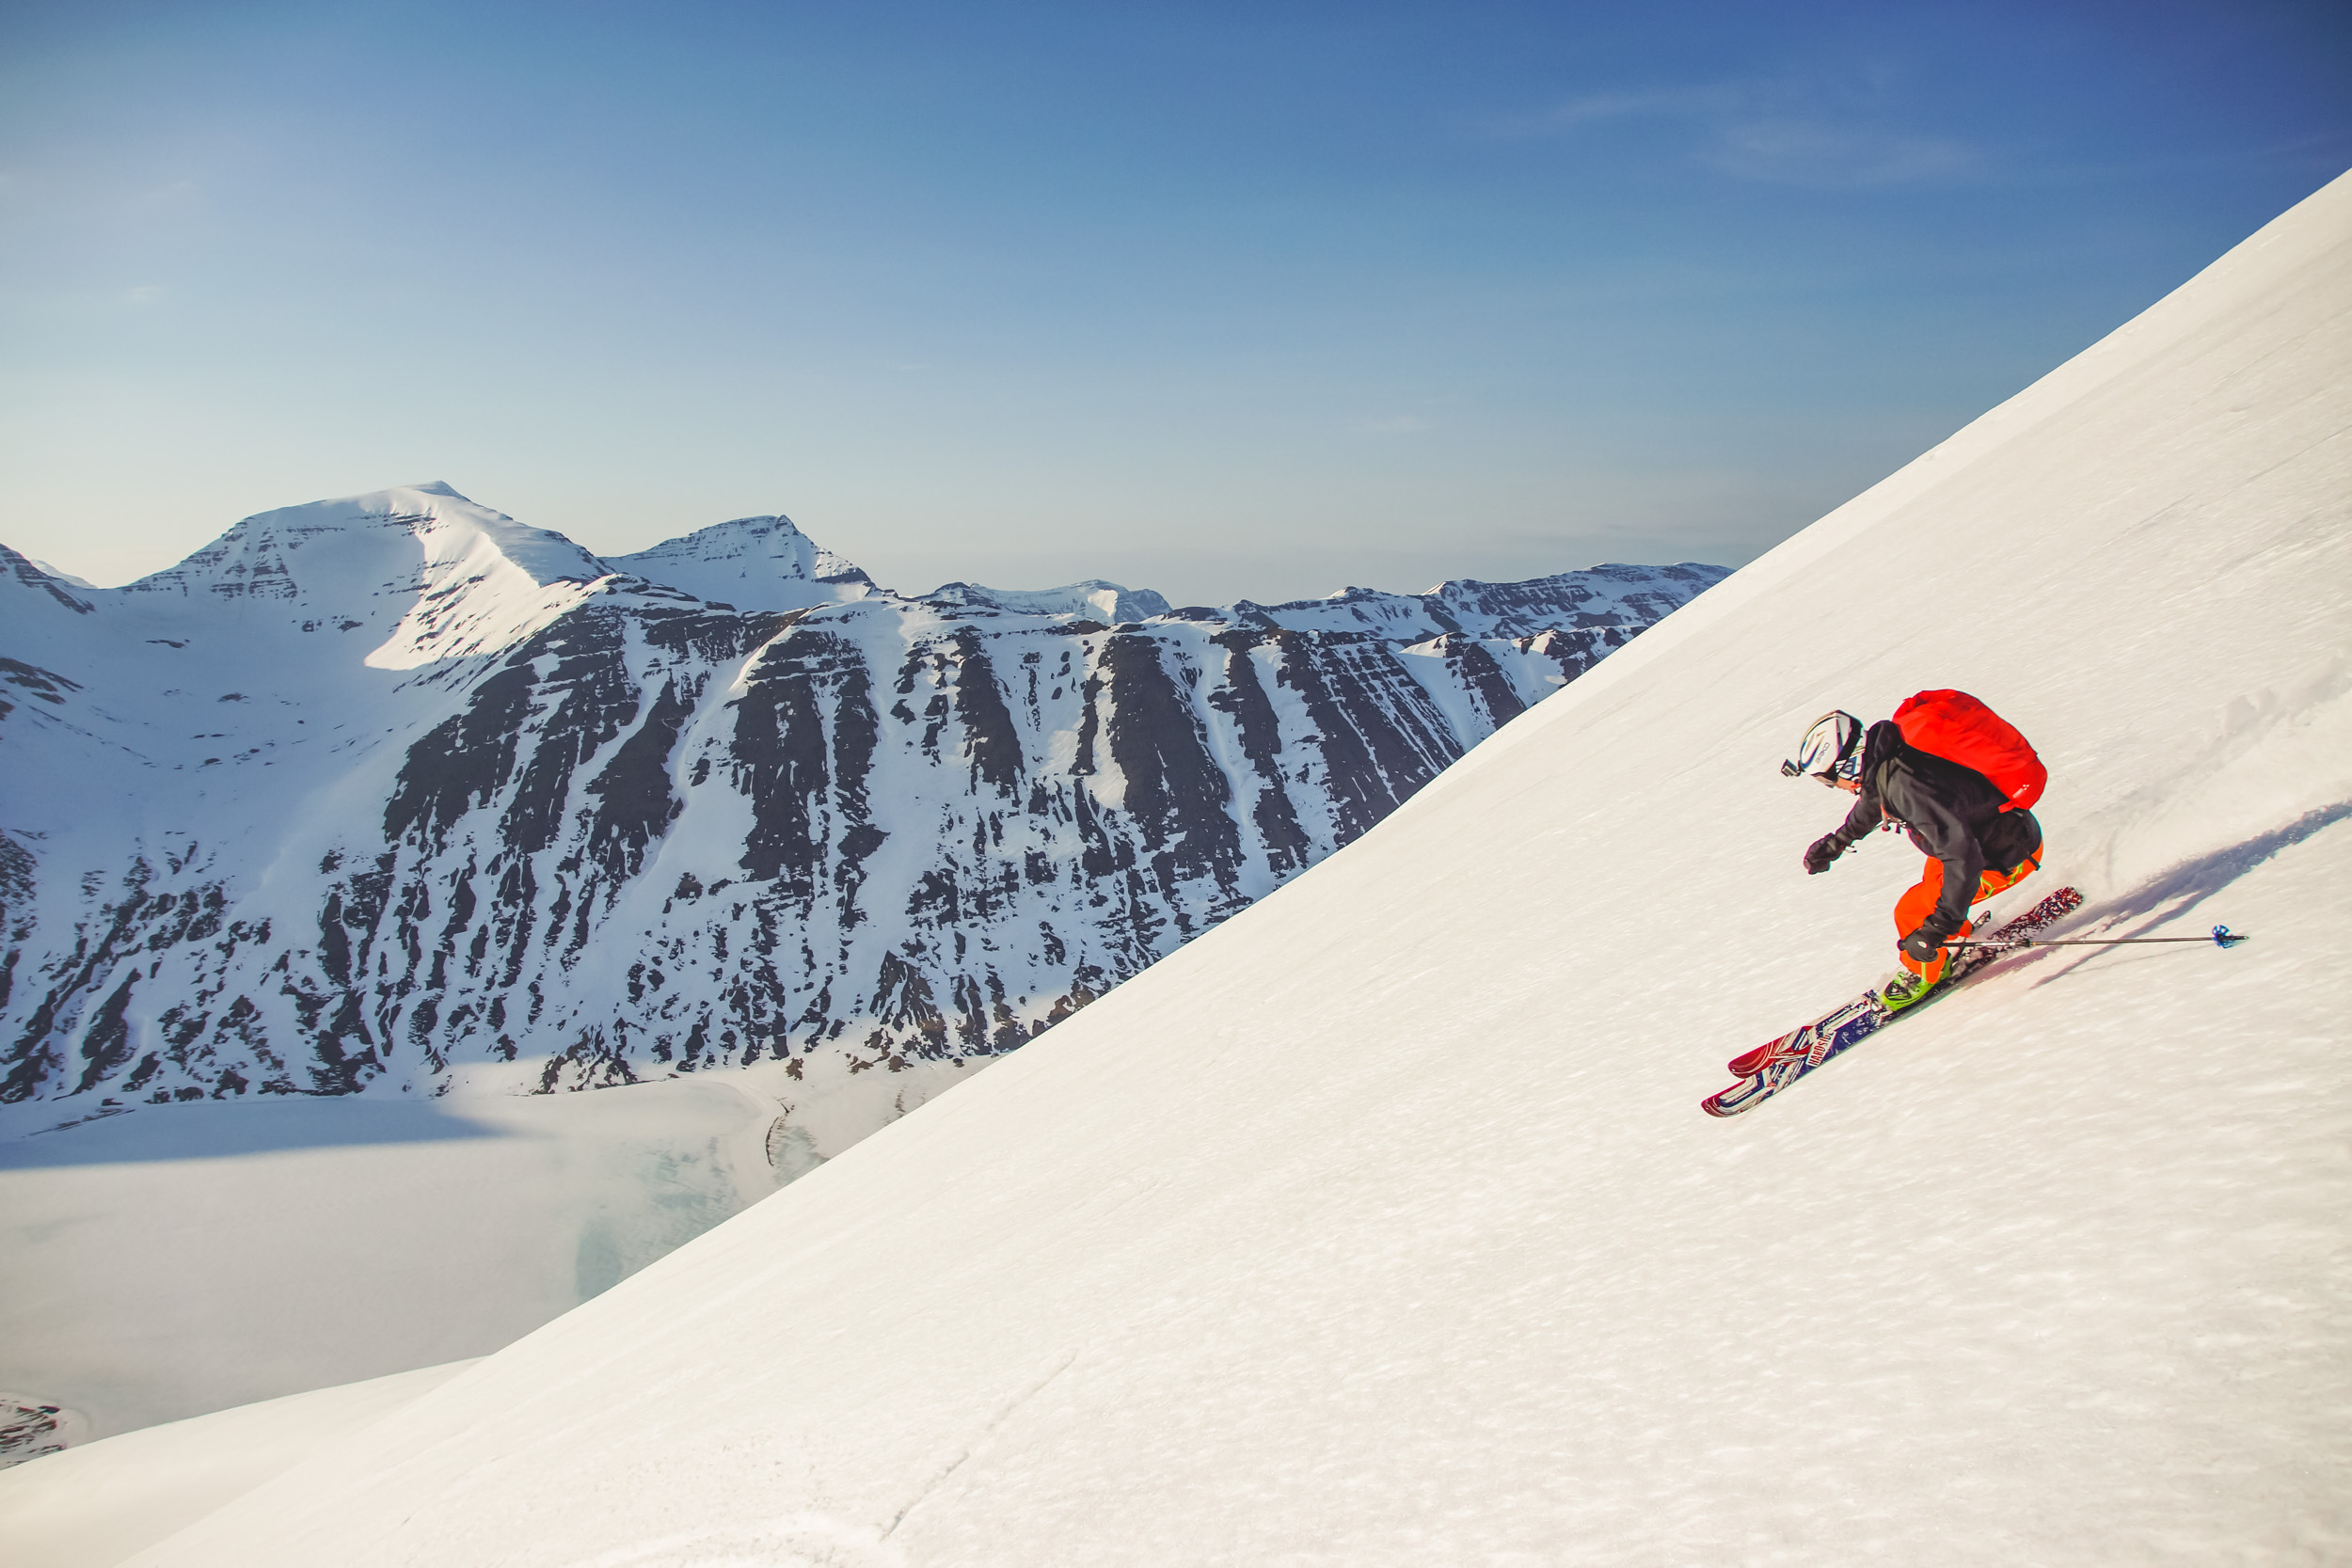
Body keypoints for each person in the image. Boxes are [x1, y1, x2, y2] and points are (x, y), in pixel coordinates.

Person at [1784, 706, 2044, 1010]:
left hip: (2004, 857)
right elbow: (1872, 803)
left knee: (1912, 913)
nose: (1833, 788)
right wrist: (1835, 843)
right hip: (1979, 841)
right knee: (1927, 896)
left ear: (1846, 766)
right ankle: (1952, 938)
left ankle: (1925, 972)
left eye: (1829, 781)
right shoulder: (1888, 762)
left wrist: (1935, 929)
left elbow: (1964, 860)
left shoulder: (1907, 788)